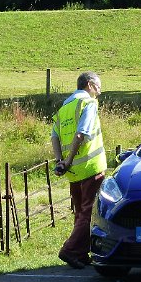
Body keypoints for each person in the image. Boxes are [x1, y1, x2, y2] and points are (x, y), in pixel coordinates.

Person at [50, 71, 107, 269]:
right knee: (88, 213)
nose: (99, 91)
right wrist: (69, 158)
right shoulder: (88, 104)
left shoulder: (64, 108)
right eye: (98, 86)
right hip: (91, 167)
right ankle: (70, 250)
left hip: (73, 171)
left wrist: (62, 161)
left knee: (79, 213)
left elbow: (54, 137)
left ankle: (81, 254)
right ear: (90, 84)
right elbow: (82, 134)